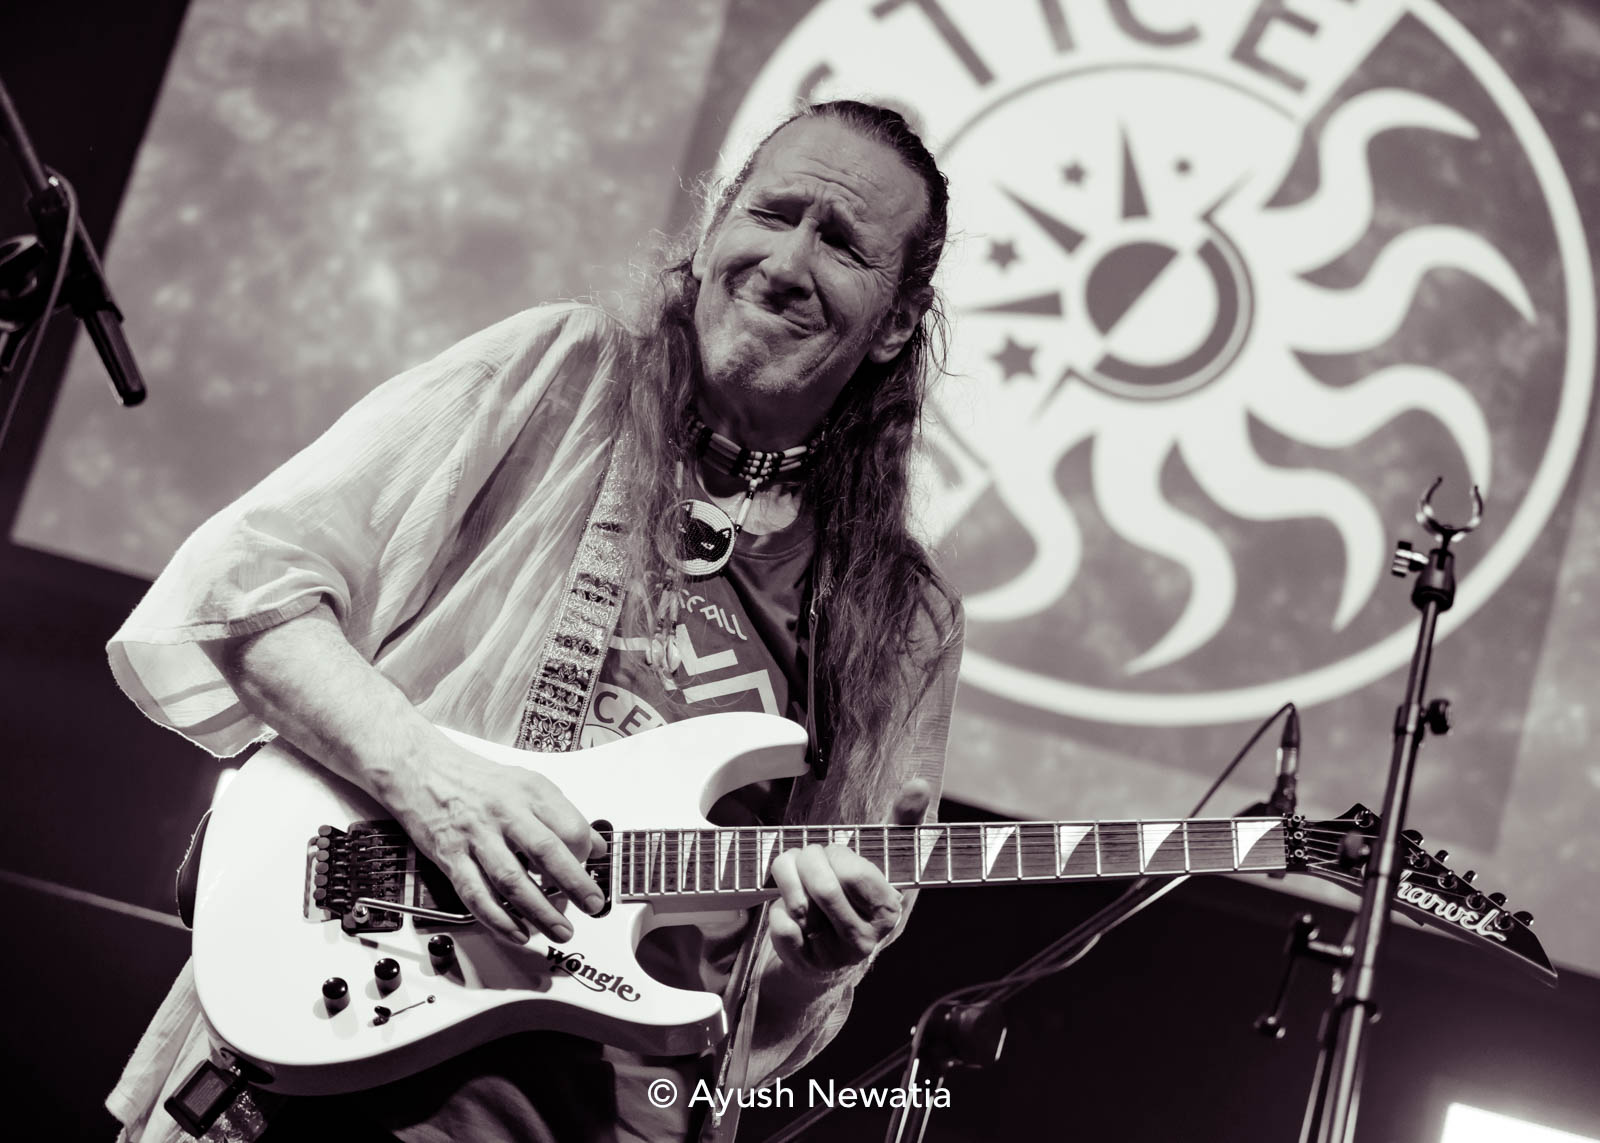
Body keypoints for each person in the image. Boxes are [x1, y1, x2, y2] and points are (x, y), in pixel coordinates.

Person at [105, 99, 964, 1143]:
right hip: (340, 1056)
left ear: (897, 323)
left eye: (840, 244)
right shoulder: (563, 372)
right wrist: (432, 780)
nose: (787, 263)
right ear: (711, 233)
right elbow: (245, 589)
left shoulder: (903, 617)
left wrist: (806, 961)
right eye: (771, 213)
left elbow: (773, 1012)